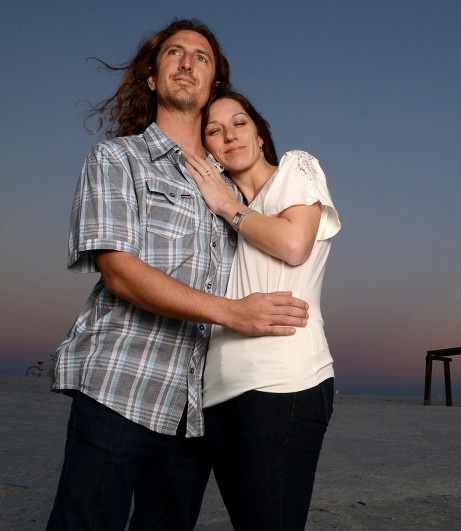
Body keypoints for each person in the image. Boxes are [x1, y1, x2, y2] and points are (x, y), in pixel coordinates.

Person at [47, 20, 309, 530]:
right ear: (152, 76)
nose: (188, 62)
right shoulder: (116, 159)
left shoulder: (232, 185)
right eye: (175, 52)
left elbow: (289, 236)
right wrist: (234, 314)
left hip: (195, 415)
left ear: (214, 86)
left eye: (202, 57)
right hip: (119, 386)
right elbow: (119, 272)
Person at [184, 91, 340, 530]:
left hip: (284, 382)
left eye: (239, 123)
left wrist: (227, 206)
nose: (229, 135)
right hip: (216, 393)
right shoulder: (216, 205)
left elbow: (294, 245)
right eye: (214, 131)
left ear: (259, 131)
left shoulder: (295, 168)